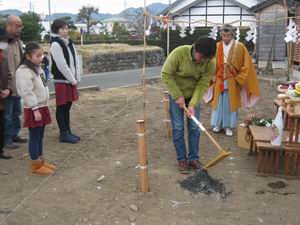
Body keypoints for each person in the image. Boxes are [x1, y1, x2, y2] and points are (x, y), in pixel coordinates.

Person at [161, 37, 216, 173]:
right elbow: (166, 74)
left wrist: (192, 103)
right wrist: (177, 95)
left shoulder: (211, 62)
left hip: (193, 95)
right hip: (177, 94)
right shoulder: (179, 53)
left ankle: (193, 158)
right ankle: (182, 159)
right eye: (201, 57)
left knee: (194, 127)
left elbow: (203, 84)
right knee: (178, 127)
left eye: (206, 59)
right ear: (195, 49)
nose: (203, 61)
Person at [210, 24, 260, 136]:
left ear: (232, 35)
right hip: (219, 78)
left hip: (232, 79)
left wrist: (239, 77)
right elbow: (211, 62)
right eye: (223, 35)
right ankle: (217, 124)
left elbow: (246, 65)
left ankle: (228, 126)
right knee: (218, 101)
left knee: (229, 102)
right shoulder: (217, 46)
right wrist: (212, 75)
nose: (225, 38)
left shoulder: (240, 46)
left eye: (228, 35)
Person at [16, 42, 55, 175]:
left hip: (41, 106)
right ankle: (35, 165)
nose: (41, 58)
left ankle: (41, 160)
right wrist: (34, 108)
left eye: (42, 55)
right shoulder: (23, 71)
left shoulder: (36, 68)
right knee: (34, 136)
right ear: (28, 56)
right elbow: (27, 91)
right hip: (34, 108)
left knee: (40, 136)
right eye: (38, 56)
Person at [50, 19, 81, 144]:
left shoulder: (69, 42)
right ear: (56, 30)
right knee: (61, 107)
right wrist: (73, 80)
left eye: (66, 28)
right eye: (62, 28)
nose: (65, 30)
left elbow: (76, 61)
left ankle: (68, 131)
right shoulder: (55, 44)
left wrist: (78, 77)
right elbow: (62, 65)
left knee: (68, 106)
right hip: (62, 80)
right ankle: (63, 133)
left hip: (71, 80)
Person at [4, 15, 27, 149]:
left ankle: (14, 135)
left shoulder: (18, 41)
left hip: (18, 83)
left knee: (16, 112)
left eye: (21, 26)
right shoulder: (3, 42)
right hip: (7, 85)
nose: (20, 28)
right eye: (17, 26)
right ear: (9, 25)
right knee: (6, 114)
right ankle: (6, 139)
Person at [0, 28, 12, 159]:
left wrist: (8, 89)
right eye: (2, 40)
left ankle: (1, 150)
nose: (4, 43)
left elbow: (9, 75)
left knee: (2, 124)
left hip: (4, 97)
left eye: (6, 41)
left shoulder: (4, 56)